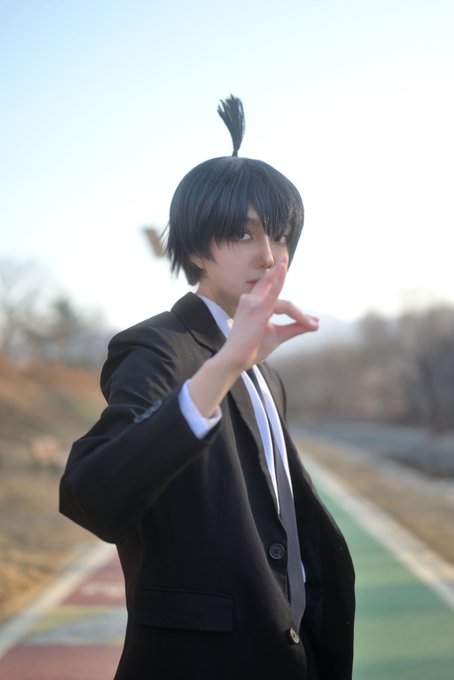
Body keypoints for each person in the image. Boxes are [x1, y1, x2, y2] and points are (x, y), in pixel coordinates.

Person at [60, 96, 355, 679]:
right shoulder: (157, 348)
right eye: (244, 234)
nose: (268, 255)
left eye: (280, 235)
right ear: (197, 247)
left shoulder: (265, 369)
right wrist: (223, 368)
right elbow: (91, 495)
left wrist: (244, 363)